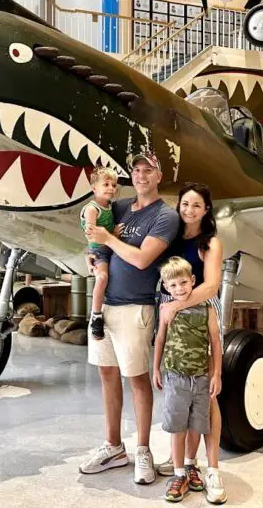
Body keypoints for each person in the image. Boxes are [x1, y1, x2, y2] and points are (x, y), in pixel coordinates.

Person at [79, 152, 180, 485]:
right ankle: (113, 446)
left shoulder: (165, 215)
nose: (140, 175)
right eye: (136, 170)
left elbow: (141, 259)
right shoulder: (118, 206)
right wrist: (92, 257)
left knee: (137, 380)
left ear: (159, 176)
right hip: (104, 306)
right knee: (107, 375)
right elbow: (93, 236)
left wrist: (106, 238)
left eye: (148, 170)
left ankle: (143, 450)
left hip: (136, 308)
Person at [156, 183, 227, 504]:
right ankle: (183, 467)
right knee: (178, 394)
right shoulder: (170, 236)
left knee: (206, 399)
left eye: (197, 205)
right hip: (172, 320)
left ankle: (210, 468)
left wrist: (177, 305)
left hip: (201, 314)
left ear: (206, 209)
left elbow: (211, 286)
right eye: (185, 203)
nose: (189, 210)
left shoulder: (209, 243)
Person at [153, 257, 222, 504]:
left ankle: (192, 464)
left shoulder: (207, 310)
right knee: (177, 426)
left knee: (197, 425)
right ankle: (179, 472)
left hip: (201, 378)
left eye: (183, 283)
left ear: (193, 281)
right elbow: (159, 339)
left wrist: (216, 374)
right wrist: (156, 369)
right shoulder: (165, 310)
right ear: (166, 288)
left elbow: (215, 343)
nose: (179, 289)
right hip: (175, 377)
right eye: (173, 286)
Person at [81, 166, 118, 341]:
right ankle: (96, 315)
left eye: (113, 185)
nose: (111, 188)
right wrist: (113, 236)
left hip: (111, 248)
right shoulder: (92, 209)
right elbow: (92, 233)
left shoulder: (111, 207)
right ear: (94, 188)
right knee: (102, 277)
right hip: (100, 250)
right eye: (106, 184)